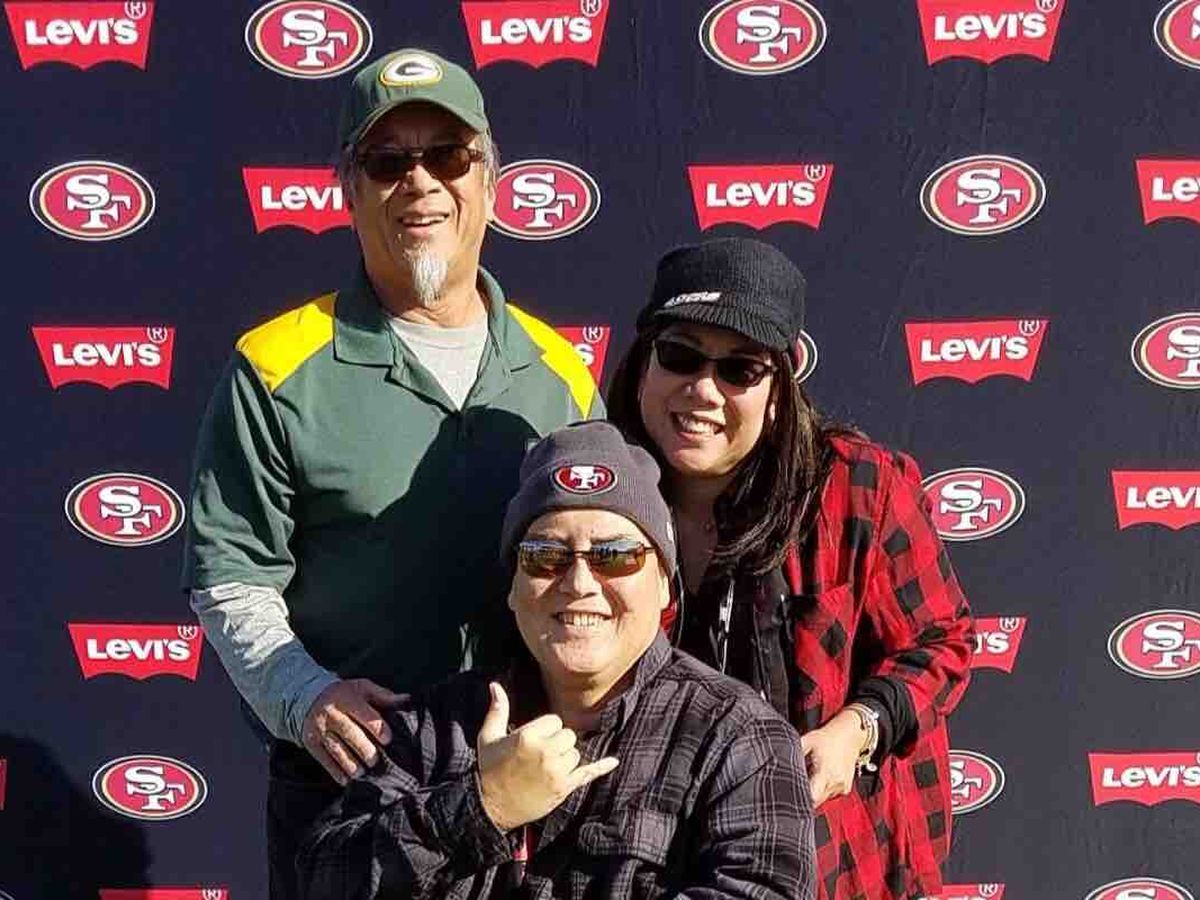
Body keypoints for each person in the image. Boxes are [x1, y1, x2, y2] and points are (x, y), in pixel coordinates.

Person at [181, 47, 601, 898]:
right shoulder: (274, 367)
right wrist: (306, 696)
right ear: (350, 189)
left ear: (490, 180)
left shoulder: (560, 372)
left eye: (448, 156)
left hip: (518, 775)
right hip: (347, 784)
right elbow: (230, 578)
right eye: (387, 161)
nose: (420, 183)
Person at [297, 421, 817, 898]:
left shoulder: (741, 740)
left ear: (663, 582)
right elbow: (324, 879)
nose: (580, 582)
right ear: (513, 588)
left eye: (615, 556)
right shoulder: (437, 727)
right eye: (546, 556)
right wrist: (482, 805)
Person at [606, 238, 974, 899]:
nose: (703, 390)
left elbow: (943, 640)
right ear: (643, 364)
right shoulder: (596, 498)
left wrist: (856, 730)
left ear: (780, 387)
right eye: (680, 355)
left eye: (740, 370)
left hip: (833, 856)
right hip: (656, 851)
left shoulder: (858, 486)